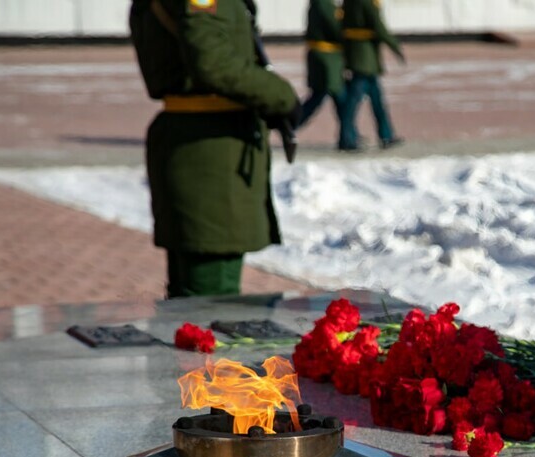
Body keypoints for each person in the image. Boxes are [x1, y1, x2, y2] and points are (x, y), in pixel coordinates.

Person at [128, 0, 300, 298]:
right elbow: (213, 63)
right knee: (211, 303)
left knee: (190, 299)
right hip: (212, 155)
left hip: (200, 148)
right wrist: (280, 95)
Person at [339, 0, 404, 151]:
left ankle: (386, 135)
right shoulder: (367, 2)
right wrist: (395, 46)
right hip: (365, 58)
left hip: (357, 55)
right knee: (353, 101)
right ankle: (347, 138)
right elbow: (379, 27)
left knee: (376, 100)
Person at [298, 0, 347, 148]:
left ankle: (349, 135)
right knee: (339, 98)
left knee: (330, 98)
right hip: (327, 59)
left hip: (324, 57)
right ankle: (348, 137)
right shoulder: (324, 5)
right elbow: (335, 28)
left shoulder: (319, 4)